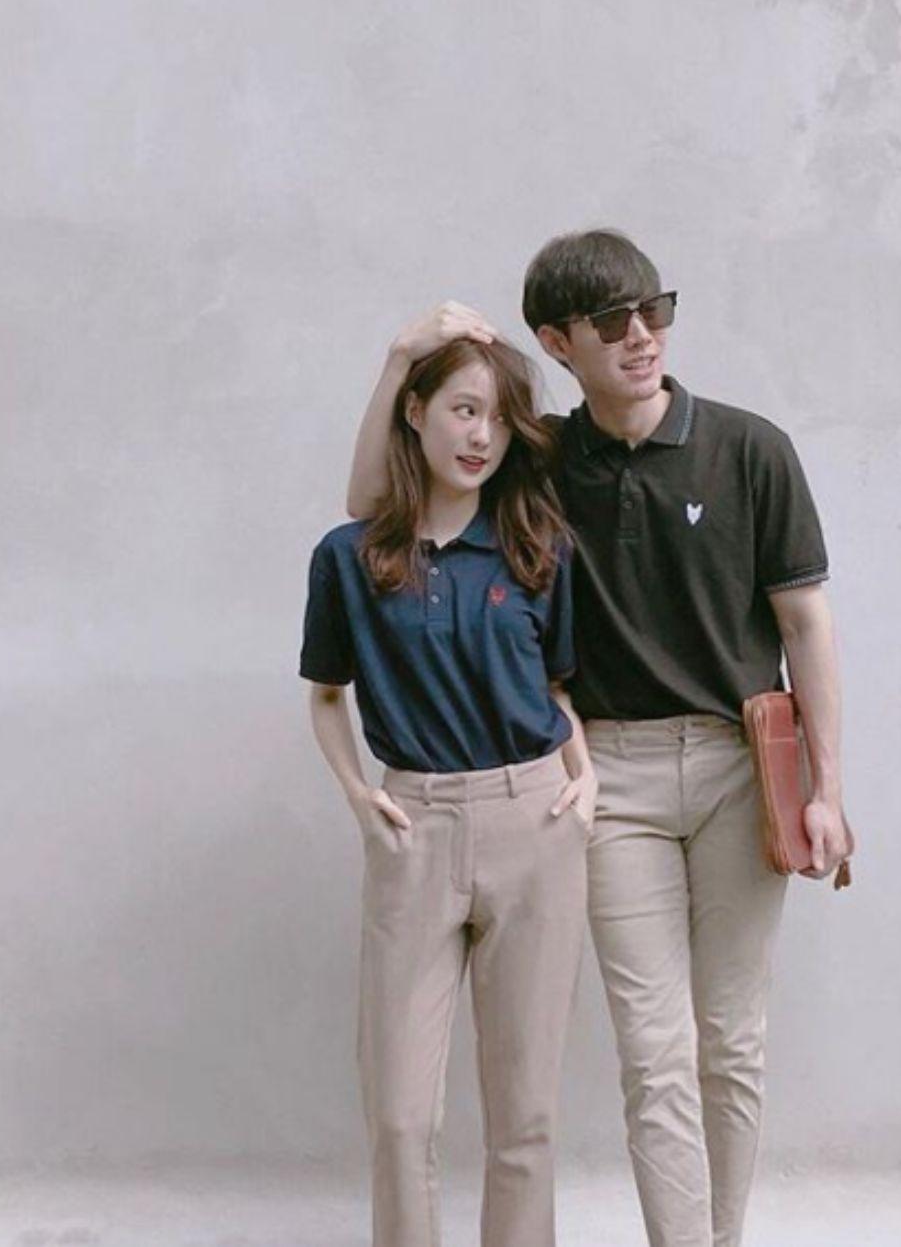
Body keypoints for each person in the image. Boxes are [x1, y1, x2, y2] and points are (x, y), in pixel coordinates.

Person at [345, 230, 853, 1247]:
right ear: (556, 342)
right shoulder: (538, 462)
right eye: (611, 321)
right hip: (608, 780)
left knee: (729, 1042)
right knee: (654, 1052)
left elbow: (805, 625)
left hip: (739, 769)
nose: (640, 336)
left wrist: (825, 791)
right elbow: (372, 510)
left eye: (653, 311)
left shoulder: (750, 449)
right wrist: (401, 359)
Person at [301, 334, 596, 1247]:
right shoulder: (350, 557)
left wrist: (584, 776)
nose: (481, 436)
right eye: (464, 410)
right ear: (416, 411)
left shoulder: (538, 547)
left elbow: (557, 690)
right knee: (398, 1117)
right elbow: (325, 695)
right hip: (414, 828)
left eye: (500, 419)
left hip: (536, 821)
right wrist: (360, 794)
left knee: (526, 1117)